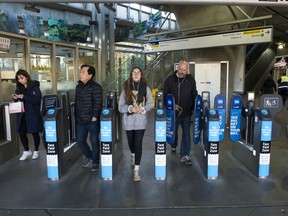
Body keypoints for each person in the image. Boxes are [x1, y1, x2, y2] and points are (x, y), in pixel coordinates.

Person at [118, 67, 153, 182]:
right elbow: (120, 107)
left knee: (138, 143)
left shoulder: (146, 88)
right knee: (131, 142)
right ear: (131, 75)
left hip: (140, 121)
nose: (136, 74)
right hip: (128, 121)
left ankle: (136, 170)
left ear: (141, 75)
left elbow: (150, 103)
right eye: (134, 73)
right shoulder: (125, 89)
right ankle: (133, 154)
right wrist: (129, 108)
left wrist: (143, 109)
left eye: (138, 73)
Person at [163, 59, 198, 165]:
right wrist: (171, 105)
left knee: (186, 133)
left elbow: (194, 94)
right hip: (173, 113)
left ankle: (185, 155)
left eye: (185, 70)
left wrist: (195, 108)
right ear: (177, 68)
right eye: (181, 69)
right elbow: (165, 96)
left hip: (186, 112)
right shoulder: (169, 80)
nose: (183, 72)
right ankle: (174, 145)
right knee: (173, 133)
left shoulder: (190, 79)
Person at [75, 64, 103, 172]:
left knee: (94, 141)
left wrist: (95, 116)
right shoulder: (78, 86)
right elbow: (77, 103)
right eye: (81, 71)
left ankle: (95, 162)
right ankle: (90, 155)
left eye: (83, 72)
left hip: (92, 121)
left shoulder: (96, 87)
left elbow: (98, 103)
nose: (81, 74)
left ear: (90, 75)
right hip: (80, 120)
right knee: (80, 140)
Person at [12, 69, 43, 161]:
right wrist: (15, 98)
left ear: (26, 77)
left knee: (34, 132)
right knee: (21, 133)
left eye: (22, 78)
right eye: (18, 79)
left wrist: (24, 96)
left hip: (33, 114)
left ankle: (36, 150)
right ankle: (27, 150)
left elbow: (37, 100)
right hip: (22, 114)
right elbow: (18, 101)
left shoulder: (34, 86)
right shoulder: (18, 88)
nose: (20, 80)